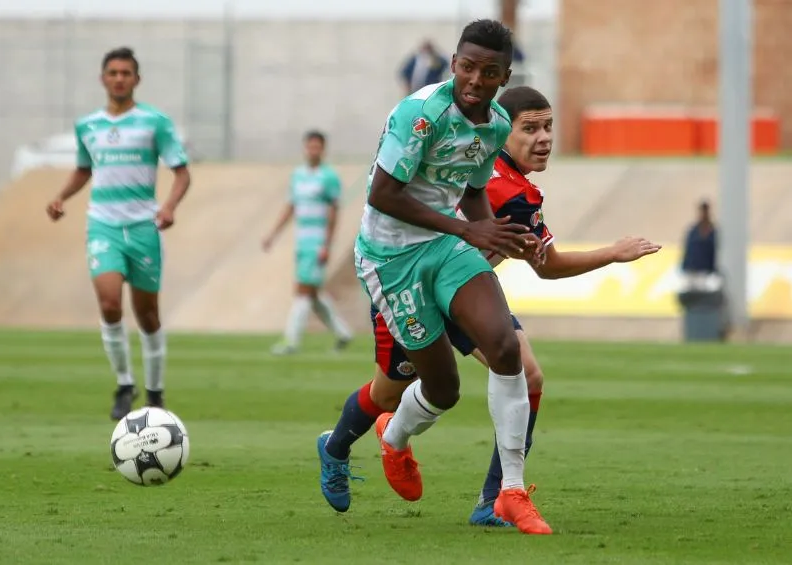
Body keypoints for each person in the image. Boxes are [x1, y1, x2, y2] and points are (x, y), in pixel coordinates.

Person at [317, 86, 662, 528]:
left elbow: (544, 262)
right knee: (388, 392)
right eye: (530, 128)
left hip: (465, 291)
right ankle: (336, 448)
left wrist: (609, 254)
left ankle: (496, 496)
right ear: (505, 132)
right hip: (411, 281)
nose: (544, 138)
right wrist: (612, 252)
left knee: (524, 370)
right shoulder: (489, 175)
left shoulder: (514, 187)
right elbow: (548, 265)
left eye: (549, 127)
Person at [338, 18, 553, 534]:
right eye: (467, 67)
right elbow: (383, 196)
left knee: (508, 351)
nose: (476, 80)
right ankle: (389, 440)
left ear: (504, 77)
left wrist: (487, 230)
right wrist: (469, 229)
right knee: (443, 388)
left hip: (444, 247)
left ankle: (511, 493)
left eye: (490, 72)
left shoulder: (496, 123)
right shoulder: (420, 114)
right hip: (390, 257)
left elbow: (475, 187)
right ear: (454, 62)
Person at [46, 47, 191, 420]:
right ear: (103, 78)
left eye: (126, 72)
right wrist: (61, 196)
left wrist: (169, 206)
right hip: (103, 225)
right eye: (113, 72)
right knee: (110, 304)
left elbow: (181, 172)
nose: (119, 78)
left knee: (148, 316)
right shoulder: (87, 126)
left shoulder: (154, 122)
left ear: (136, 79)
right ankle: (125, 383)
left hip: (143, 226)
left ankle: (155, 393)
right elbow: (83, 169)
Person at [263, 131, 353, 355]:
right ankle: (343, 333)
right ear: (305, 148)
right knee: (312, 293)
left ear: (323, 149)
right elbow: (290, 207)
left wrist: (327, 244)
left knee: (302, 291)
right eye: (310, 146)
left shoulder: (329, 177)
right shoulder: (298, 175)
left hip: (317, 241)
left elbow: (334, 212)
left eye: (317, 147)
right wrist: (273, 234)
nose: (313, 150)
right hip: (301, 241)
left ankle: (291, 341)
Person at [681, 200, 717, 275]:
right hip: (692, 270)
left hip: (708, 271)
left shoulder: (714, 231)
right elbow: (688, 251)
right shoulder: (693, 231)